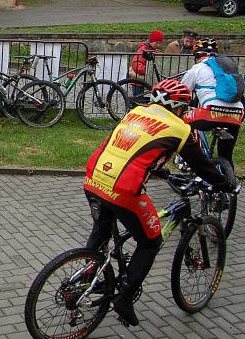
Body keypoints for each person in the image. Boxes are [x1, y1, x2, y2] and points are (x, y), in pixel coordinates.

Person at [83, 79, 233, 327]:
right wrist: (223, 184)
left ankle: (87, 274)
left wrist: (158, 169)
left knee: (101, 229)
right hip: (124, 190)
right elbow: (201, 166)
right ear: (178, 107)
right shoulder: (180, 128)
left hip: (94, 177)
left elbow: (129, 148)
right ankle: (125, 298)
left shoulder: (136, 112)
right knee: (151, 241)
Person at [181, 38, 244, 162]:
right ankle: (229, 177)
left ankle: (197, 160)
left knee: (181, 122)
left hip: (210, 111)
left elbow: (182, 92)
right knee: (226, 156)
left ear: (197, 55)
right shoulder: (227, 68)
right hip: (237, 113)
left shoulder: (197, 68)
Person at [128, 30, 164, 96]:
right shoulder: (143, 50)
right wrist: (150, 70)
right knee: (139, 100)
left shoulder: (154, 50)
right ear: (151, 41)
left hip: (147, 81)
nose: (158, 45)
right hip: (139, 83)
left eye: (160, 43)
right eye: (157, 43)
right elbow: (136, 65)